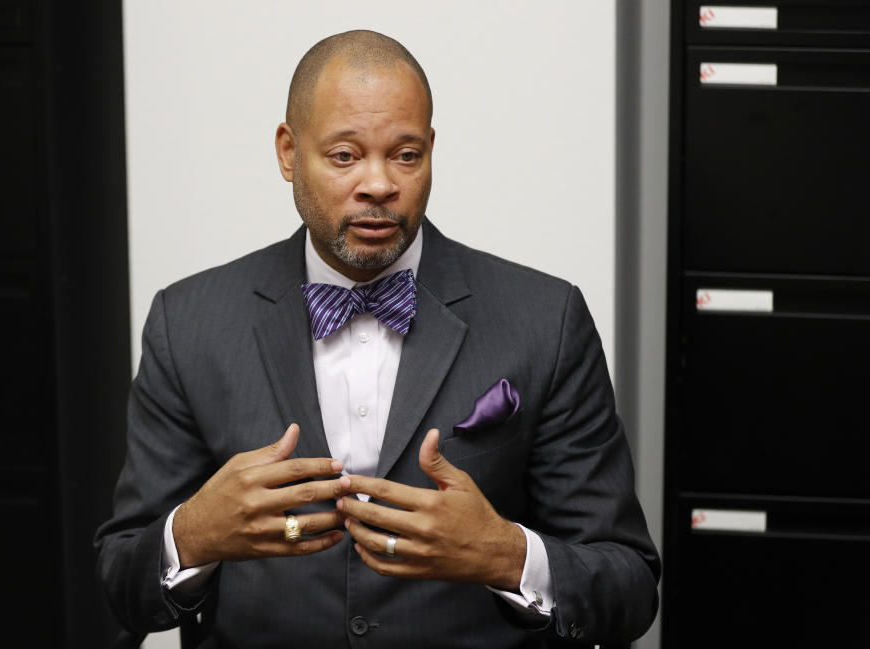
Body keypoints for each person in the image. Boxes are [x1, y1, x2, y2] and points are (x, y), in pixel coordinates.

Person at [95, 29, 659, 648]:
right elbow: (122, 584)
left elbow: (629, 587)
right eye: (344, 156)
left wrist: (505, 553)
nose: (379, 184)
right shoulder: (190, 322)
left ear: (431, 151)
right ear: (288, 152)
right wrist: (194, 536)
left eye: (406, 154)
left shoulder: (545, 319)